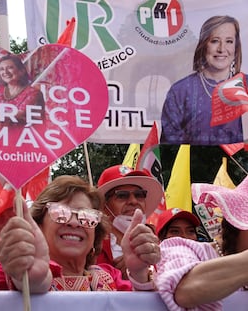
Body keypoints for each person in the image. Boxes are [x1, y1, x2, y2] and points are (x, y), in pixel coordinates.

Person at [0, 175, 160, 292]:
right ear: (38, 225)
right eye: (60, 213)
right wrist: (28, 281)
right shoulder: (11, 270)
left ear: (95, 233)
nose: (74, 222)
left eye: (87, 216)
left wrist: (140, 273)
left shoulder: (109, 277)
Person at [156, 175, 248, 310]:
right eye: (175, 230)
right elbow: (183, 290)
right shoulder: (182, 248)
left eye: (190, 230)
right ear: (234, 223)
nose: (184, 234)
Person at [161, 15, 244, 145]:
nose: (222, 49)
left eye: (229, 41)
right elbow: (170, 143)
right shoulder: (180, 91)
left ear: (236, 47)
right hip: (192, 163)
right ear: (204, 44)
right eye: (215, 40)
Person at [95, 164, 164, 279]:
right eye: (122, 196)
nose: (133, 201)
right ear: (104, 205)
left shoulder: (161, 244)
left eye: (139, 195)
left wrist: (143, 271)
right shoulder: (90, 246)